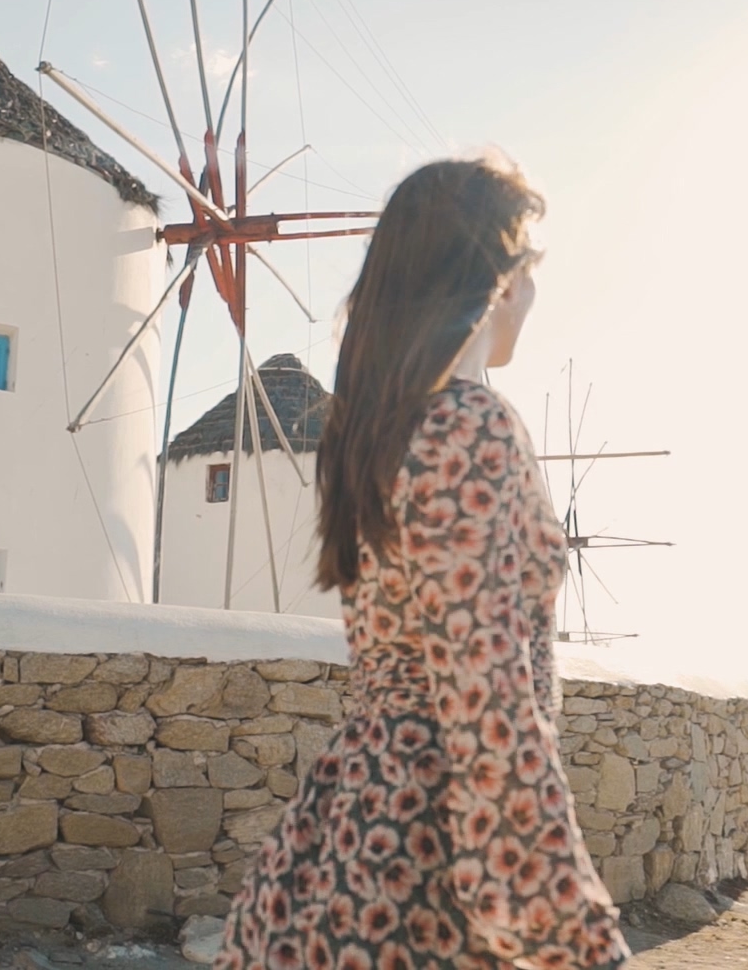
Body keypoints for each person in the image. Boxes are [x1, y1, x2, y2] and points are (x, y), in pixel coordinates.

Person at [214, 158, 630, 970]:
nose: (534, 296)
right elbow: (486, 701)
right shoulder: (469, 427)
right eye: (529, 271)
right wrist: (573, 936)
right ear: (496, 281)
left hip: (349, 831)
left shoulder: (379, 429)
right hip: (423, 858)